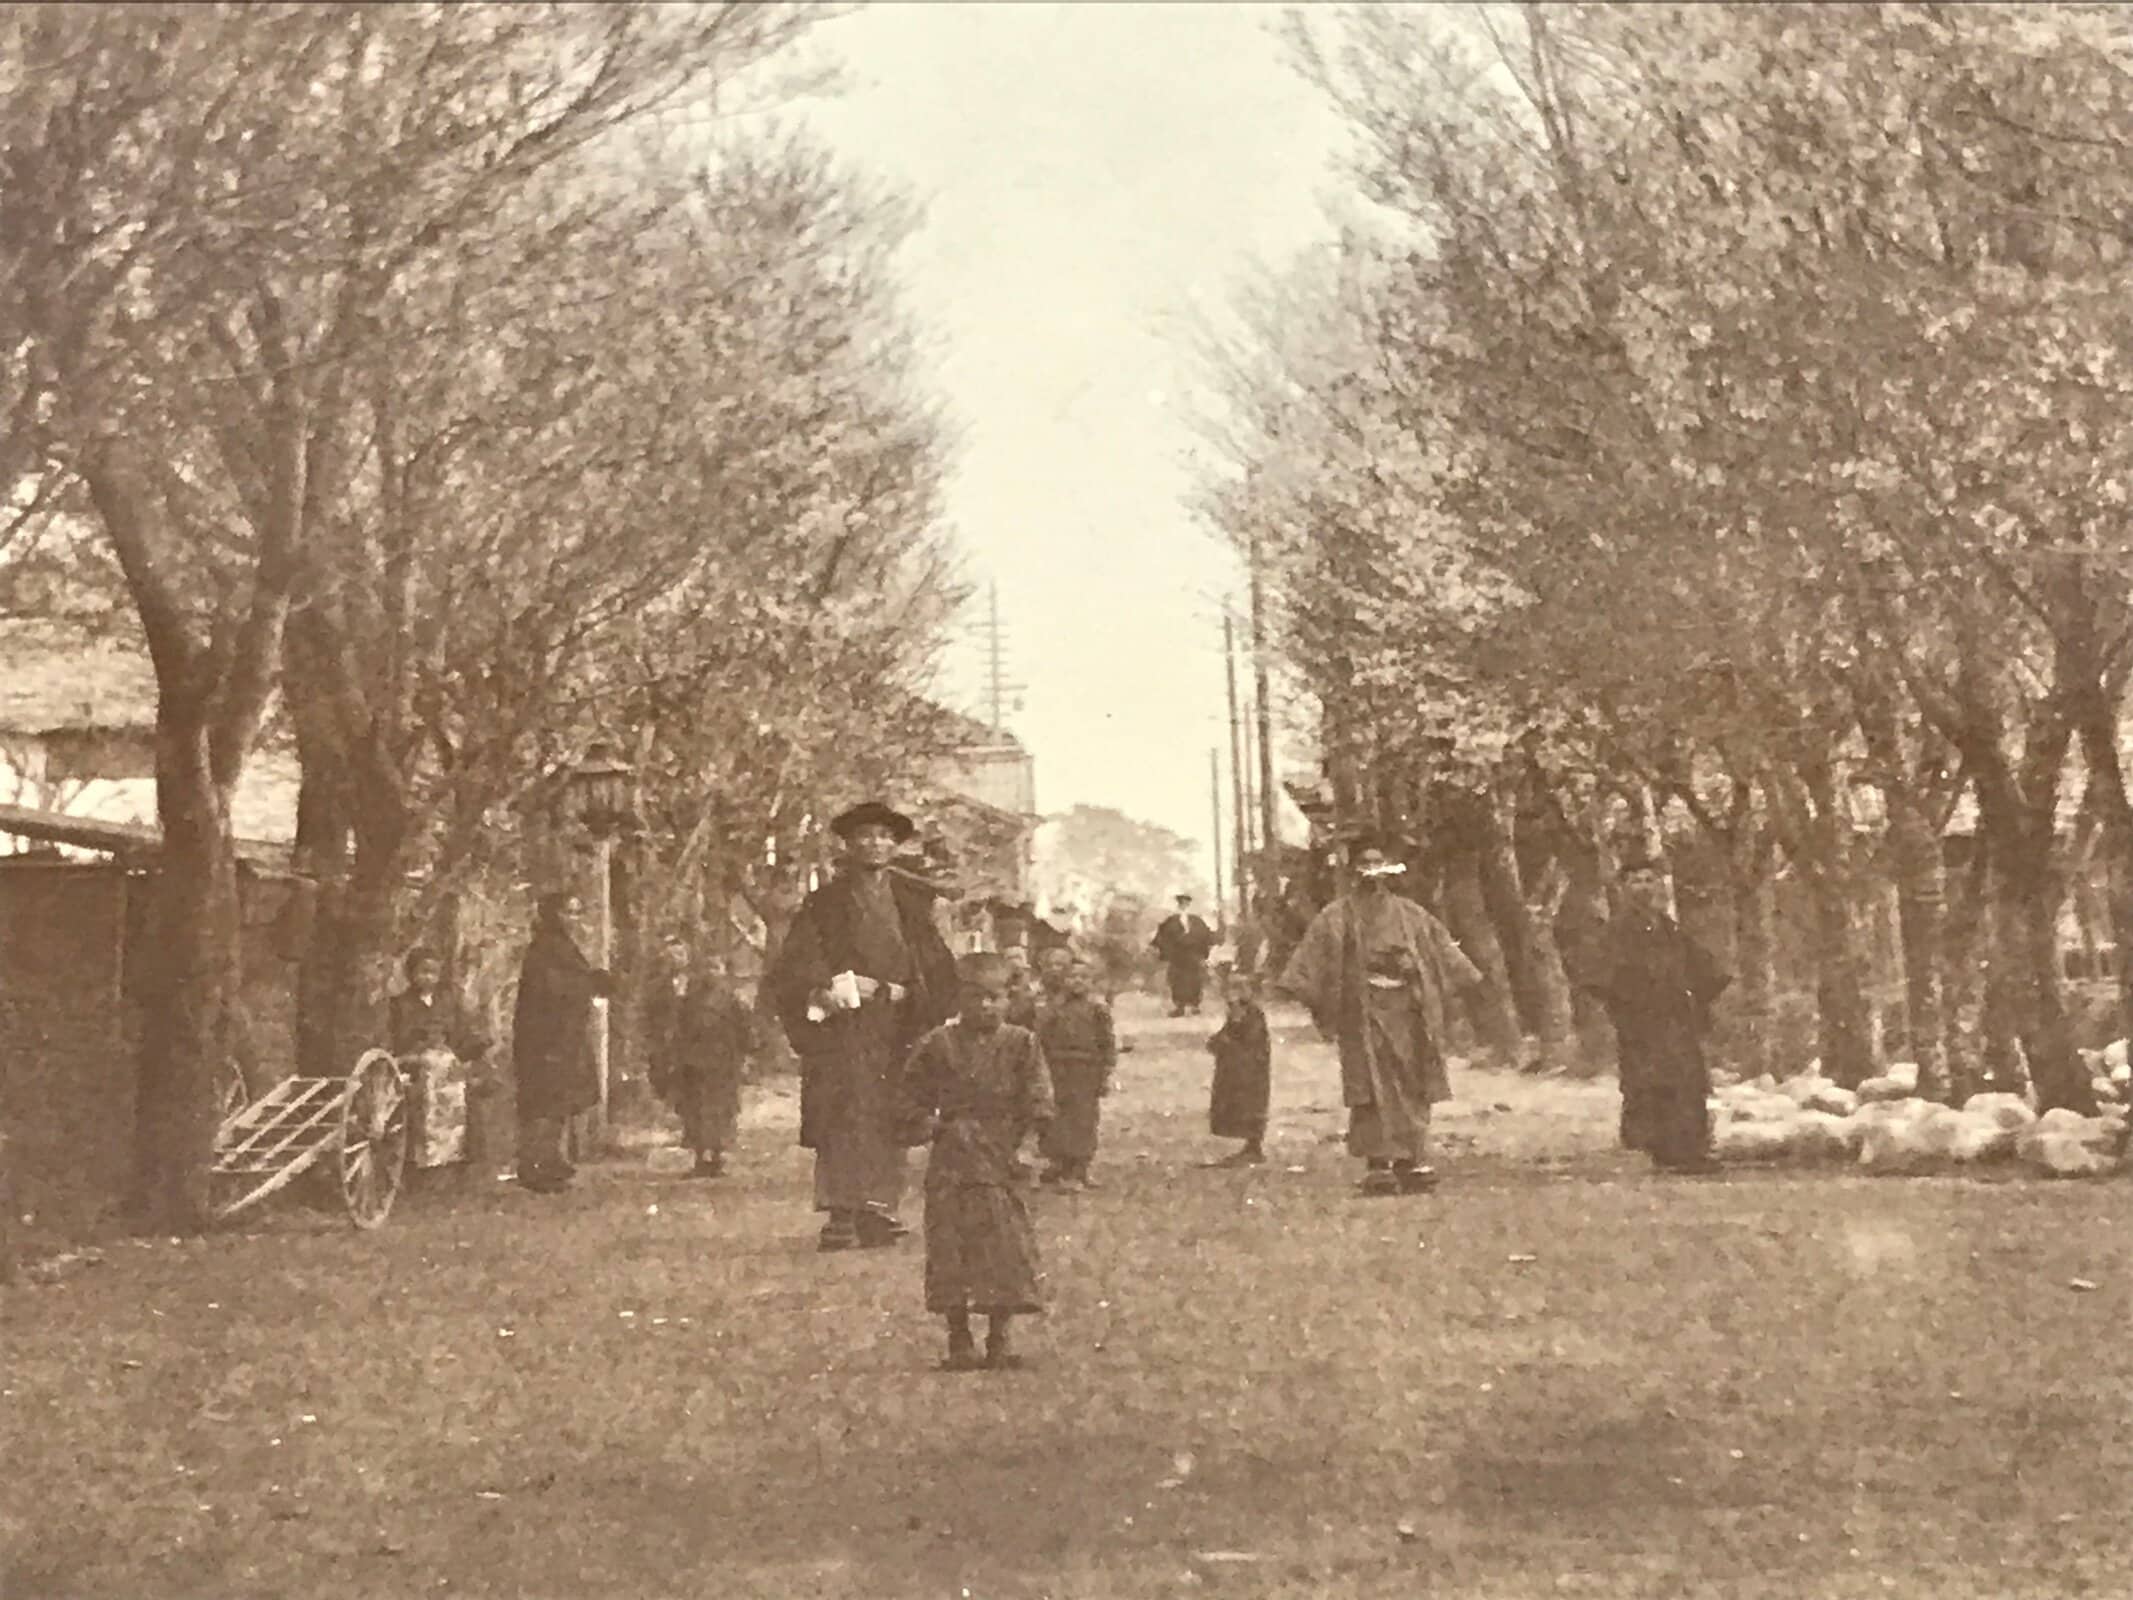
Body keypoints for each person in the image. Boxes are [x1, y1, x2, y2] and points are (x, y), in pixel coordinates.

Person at [768, 800, 958, 1252]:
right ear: (849, 845)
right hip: (844, 1029)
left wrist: (910, 992)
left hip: (898, 1024)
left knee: (895, 1111)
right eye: (865, 837)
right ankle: (839, 1211)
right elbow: (797, 963)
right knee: (843, 1114)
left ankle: (878, 1209)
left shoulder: (913, 902)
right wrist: (831, 987)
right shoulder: (825, 903)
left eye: (884, 836)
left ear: (894, 845)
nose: (875, 844)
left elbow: (934, 962)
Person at [1279, 834, 1484, 1196]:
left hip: (1410, 1012)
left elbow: (1445, 955)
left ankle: (1412, 1159)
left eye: (1378, 863)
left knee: (1414, 1083)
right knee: (1370, 1088)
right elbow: (1309, 965)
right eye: (1365, 864)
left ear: (1390, 869)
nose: (1372, 871)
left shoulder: (1411, 914)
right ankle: (1379, 1163)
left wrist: (1435, 976)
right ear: (1354, 869)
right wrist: (1321, 997)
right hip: (1364, 1011)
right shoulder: (1337, 915)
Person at [895, 952, 1054, 1372]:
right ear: (959, 999)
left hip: (1001, 1157)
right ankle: (959, 1338)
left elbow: (1039, 1100)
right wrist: (930, 1124)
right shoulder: (937, 1044)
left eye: (995, 997)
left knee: (1004, 1250)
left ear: (1008, 999)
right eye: (976, 997)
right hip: (952, 1158)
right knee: (952, 1249)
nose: (986, 1006)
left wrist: (1028, 1145)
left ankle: (1000, 1338)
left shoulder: (1022, 1043)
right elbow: (907, 1098)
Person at [1581, 851, 1729, 1174]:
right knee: (1649, 1083)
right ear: (1623, 887)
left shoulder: (1668, 928)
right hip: (1641, 1023)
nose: (1644, 887)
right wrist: (1625, 1004)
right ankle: (1659, 1150)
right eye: (1636, 881)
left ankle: (1690, 1151)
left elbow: (1704, 967)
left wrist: (1698, 997)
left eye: (1650, 880)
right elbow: (1597, 977)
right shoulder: (1616, 932)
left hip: (1677, 1020)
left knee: (1688, 1082)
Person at [511, 892, 613, 1194]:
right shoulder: (543, 949)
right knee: (544, 1101)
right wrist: (590, 983)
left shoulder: (565, 948)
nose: (573, 919)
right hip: (545, 1037)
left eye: (577, 912)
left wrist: (595, 980)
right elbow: (552, 990)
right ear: (552, 915)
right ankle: (535, 1166)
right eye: (567, 912)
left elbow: (571, 982)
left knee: (560, 1101)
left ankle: (551, 1159)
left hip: (565, 1036)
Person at [648, 936, 753, 1178]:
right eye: (708, 968)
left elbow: (744, 1029)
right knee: (695, 1109)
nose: (712, 973)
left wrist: (745, 1055)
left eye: (717, 968)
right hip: (695, 1061)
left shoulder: (733, 998)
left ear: (725, 971)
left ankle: (715, 1156)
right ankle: (699, 1156)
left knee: (720, 1110)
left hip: (723, 1061)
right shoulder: (692, 997)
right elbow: (680, 1025)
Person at [389, 948, 492, 1181]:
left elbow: (463, 1034)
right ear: (410, 974)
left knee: (457, 1084)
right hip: (415, 1064)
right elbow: (397, 1039)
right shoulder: (400, 1005)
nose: (428, 978)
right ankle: (424, 1163)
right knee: (427, 1086)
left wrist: (471, 1049)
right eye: (422, 972)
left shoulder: (448, 1002)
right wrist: (415, 1051)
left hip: (447, 1064)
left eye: (433, 972)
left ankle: (453, 1160)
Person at [1035, 953, 1117, 1189]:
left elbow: (1107, 1042)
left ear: (1092, 982)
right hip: (1057, 1069)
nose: (1077, 981)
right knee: (1058, 1118)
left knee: (1085, 1119)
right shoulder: (1053, 1008)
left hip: (1086, 1070)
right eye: (1072, 976)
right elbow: (1040, 1037)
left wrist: (1105, 1072)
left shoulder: (1098, 1009)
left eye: (1084, 977)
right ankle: (1060, 1166)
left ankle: (1080, 1168)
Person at [1204, 969, 1271, 1167]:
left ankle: (1254, 1147)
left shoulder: (1252, 1014)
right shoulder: (1238, 1013)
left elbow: (1247, 1041)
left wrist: (1224, 1042)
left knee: (1250, 1106)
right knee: (1238, 1105)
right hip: (1236, 1070)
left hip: (1248, 1071)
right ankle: (1250, 1146)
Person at [1151, 893, 1217, 1016]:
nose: (1184, 906)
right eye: (1181, 903)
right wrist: (1166, 952)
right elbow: (1162, 937)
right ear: (1178, 904)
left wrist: (1203, 953)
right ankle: (1179, 1006)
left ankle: (1195, 1005)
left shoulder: (1197, 921)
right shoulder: (1171, 921)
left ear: (1189, 904)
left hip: (1194, 955)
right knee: (1177, 980)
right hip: (1178, 956)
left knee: (1195, 980)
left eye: (1186, 903)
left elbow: (1206, 936)